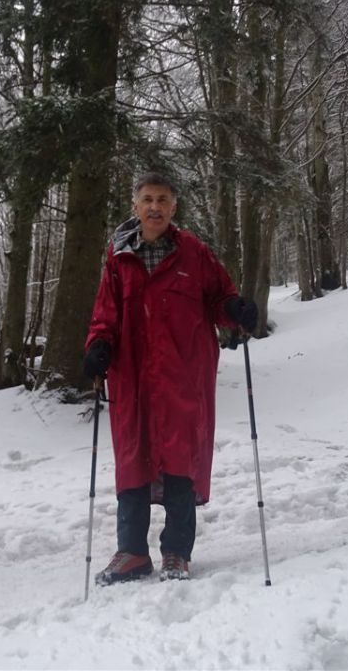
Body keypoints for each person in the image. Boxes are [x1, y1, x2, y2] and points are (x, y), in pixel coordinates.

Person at [83, 172, 257, 585]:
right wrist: (98, 345)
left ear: (174, 207)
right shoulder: (118, 256)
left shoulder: (193, 252)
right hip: (133, 378)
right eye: (147, 199)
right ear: (136, 205)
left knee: (180, 459)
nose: (155, 207)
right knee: (132, 461)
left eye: (163, 199)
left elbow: (220, 296)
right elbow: (104, 313)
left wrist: (235, 310)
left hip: (182, 375)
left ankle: (177, 552)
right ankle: (132, 553)